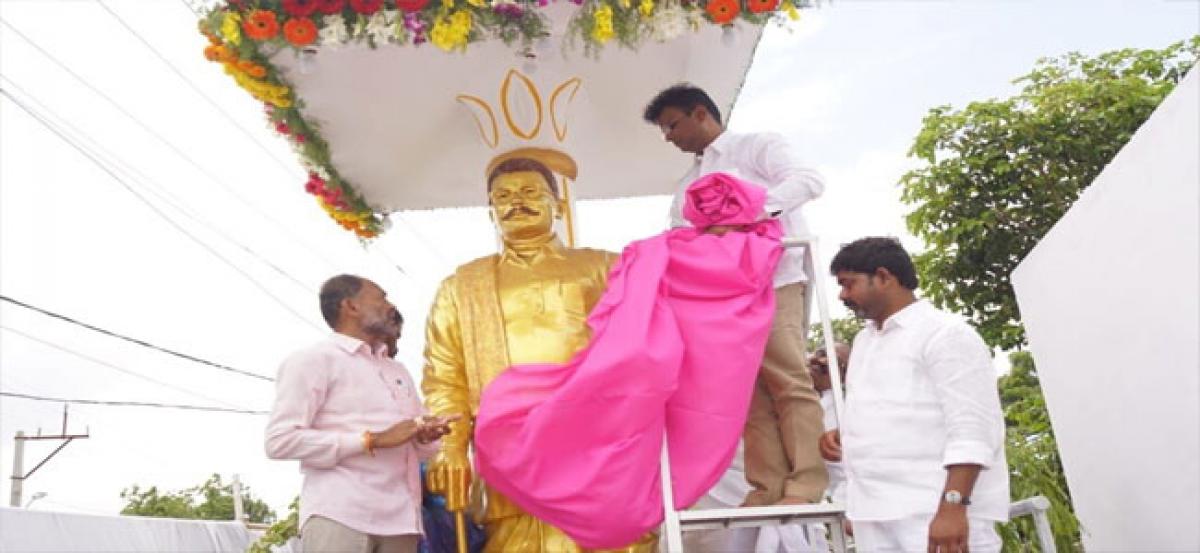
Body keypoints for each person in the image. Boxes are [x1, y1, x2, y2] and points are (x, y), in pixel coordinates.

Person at [421, 154, 656, 552]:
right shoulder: (461, 287)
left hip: (596, 444)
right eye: (504, 196)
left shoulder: (603, 268)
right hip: (509, 452)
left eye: (531, 192)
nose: (517, 202)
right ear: (491, 211)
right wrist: (450, 448)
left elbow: (647, 344)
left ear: (558, 205)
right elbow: (446, 377)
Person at [643, 84, 828, 507]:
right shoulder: (687, 182)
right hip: (722, 297)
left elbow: (809, 180)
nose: (669, 137)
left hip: (776, 278)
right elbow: (679, 232)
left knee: (789, 379)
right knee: (747, 393)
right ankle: (768, 487)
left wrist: (748, 216)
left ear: (700, 114)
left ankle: (806, 484)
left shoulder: (756, 146)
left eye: (672, 125)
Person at [820, 237, 1009, 553]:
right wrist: (846, 436)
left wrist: (952, 507)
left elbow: (973, 428)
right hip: (875, 517)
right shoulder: (864, 341)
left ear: (883, 277)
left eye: (848, 284)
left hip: (932, 514)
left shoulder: (945, 333)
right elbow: (900, 414)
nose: (843, 295)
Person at [265, 275, 458, 553]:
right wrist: (371, 440)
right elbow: (279, 441)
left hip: (402, 521)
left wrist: (426, 436)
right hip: (341, 514)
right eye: (381, 297)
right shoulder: (313, 360)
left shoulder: (397, 371)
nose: (390, 306)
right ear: (350, 306)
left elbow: (417, 447)